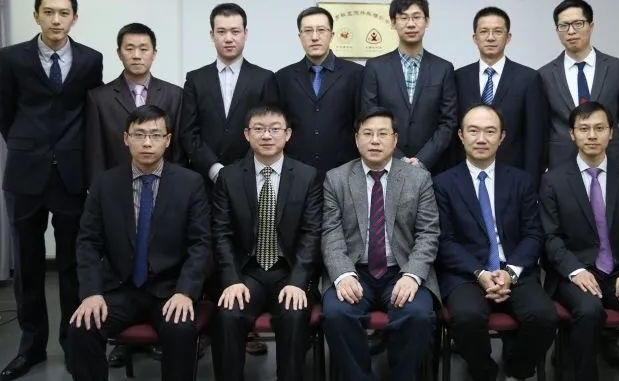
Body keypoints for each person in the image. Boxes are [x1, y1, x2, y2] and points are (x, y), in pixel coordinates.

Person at [0, 0, 103, 380]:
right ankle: (31, 347)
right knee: (27, 264)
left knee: (73, 264)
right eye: (49, 12)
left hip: (71, 174)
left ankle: (73, 344)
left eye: (64, 13)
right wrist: (28, 147)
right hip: (26, 173)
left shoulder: (91, 60)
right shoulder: (12, 58)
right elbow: (5, 112)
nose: (56, 20)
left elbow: (89, 112)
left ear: (75, 17)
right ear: (36, 15)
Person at [67, 105, 211, 381]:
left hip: (169, 290)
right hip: (120, 289)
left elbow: (201, 244)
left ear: (167, 140)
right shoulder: (104, 184)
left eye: (156, 135)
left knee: (181, 329)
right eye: (139, 134)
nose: (147, 143)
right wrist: (91, 292)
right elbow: (88, 243)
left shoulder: (190, 184)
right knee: (82, 327)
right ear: (126, 138)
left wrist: (186, 292)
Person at [540, 101, 619, 381]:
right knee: (589, 311)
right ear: (572, 134)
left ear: (611, 133)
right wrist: (575, 270)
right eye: (584, 129)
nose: (592, 135)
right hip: (577, 273)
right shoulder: (553, 181)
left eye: (599, 128)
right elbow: (549, 237)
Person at [434, 104, 557, 381]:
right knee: (466, 318)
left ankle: (516, 369)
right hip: (465, 273)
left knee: (543, 316)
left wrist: (510, 272)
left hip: (514, 269)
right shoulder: (442, 184)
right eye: (473, 131)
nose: (481, 139)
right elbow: (445, 240)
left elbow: (533, 234)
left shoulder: (521, 181)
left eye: (490, 131)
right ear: (461, 135)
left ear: (502, 137)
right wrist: (480, 272)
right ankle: (484, 372)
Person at [321, 107, 440, 381]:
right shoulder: (336, 178)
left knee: (418, 315)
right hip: (355, 269)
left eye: (382, 134)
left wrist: (412, 275)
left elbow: (429, 233)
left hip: (401, 269)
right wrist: (342, 274)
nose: (375, 140)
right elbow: (330, 233)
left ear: (394, 139)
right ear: (356, 139)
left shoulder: (418, 178)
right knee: (337, 314)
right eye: (368, 134)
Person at [210, 105, 323, 381]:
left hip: (289, 271)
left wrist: (299, 282)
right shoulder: (229, 177)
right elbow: (221, 233)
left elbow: (311, 234)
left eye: (274, 129)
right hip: (246, 272)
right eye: (259, 129)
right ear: (246, 134)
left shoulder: (307, 176)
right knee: (228, 315)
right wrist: (231, 279)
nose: (267, 136)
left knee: (294, 315)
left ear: (288, 134)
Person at [180, 2, 279, 186]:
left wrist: (241, 169)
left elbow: (269, 129)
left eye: (235, 31)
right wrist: (213, 168)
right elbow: (188, 132)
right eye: (221, 32)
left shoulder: (264, 78)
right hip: (204, 178)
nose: (228, 38)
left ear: (245, 34)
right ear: (212, 35)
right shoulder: (195, 79)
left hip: (251, 178)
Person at [539, 0, 619, 171]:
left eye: (578, 24)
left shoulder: (618, 69)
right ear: (557, 30)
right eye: (563, 26)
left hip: (609, 165)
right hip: (562, 169)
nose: (571, 31)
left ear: (591, 26)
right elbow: (541, 132)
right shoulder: (544, 75)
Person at [360, 0, 457, 174]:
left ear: (427, 21)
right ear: (393, 22)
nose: (410, 24)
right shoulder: (375, 67)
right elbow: (369, 117)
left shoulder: (443, 68)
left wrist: (423, 159)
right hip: (385, 164)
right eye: (403, 18)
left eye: (416, 17)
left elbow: (448, 122)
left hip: (432, 167)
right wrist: (398, 158)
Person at [454, 7, 547, 187]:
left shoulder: (528, 79)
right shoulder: (458, 78)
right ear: (475, 38)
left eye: (497, 31)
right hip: (465, 177)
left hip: (514, 177)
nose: (490, 37)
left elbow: (535, 137)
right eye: (484, 31)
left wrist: (531, 184)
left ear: (508, 37)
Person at [86, 22, 183, 186]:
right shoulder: (99, 98)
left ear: (154, 53)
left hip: (165, 185)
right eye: (129, 49)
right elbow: (95, 153)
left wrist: (178, 186)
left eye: (144, 49)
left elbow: (178, 151)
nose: (137, 55)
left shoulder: (175, 95)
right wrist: (97, 189)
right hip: (116, 185)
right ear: (119, 53)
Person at [274, 6, 363, 177]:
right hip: (296, 173)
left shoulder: (356, 74)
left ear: (332, 35)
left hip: (344, 172)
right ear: (300, 36)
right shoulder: (283, 77)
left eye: (321, 30)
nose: (314, 37)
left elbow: (362, 123)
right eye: (308, 31)